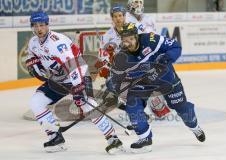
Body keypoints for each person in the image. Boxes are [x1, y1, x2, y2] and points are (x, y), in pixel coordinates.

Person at [26, 11, 123, 154]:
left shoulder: (56, 42)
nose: (39, 29)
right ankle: (55, 137)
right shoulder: (33, 42)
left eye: (42, 25)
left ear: (47, 25)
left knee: (86, 105)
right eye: (35, 26)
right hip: (58, 80)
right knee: (36, 102)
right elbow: (32, 57)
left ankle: (112, 138)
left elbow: (74, 65)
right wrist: (33, 64)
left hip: (78, 75)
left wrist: (78, 86)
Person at [109, 23, 206, 153]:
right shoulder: (121, 56)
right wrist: (115, 90)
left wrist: (166, 58)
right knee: (132, 102)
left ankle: (194, 127)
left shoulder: (151, 39)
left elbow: (175, 46)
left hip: (166, 78)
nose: (128, 43)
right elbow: (116, 78)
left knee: (181, 107)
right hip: (145, 82)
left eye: (131, 39)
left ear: (137, 37)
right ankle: (145, 139)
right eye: (125, 40)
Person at [95, 4, 170, 120]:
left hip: (139, 64)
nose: (118, 18)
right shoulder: (107, 37)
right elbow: (102, 57)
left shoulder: (137, 27)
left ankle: (154, 102)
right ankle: (139, 113)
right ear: (112, 18)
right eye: (115, 16)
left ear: (125, 16)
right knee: (112, 91)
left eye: (120, 15)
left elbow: (150, 40)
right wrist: (105, 66)